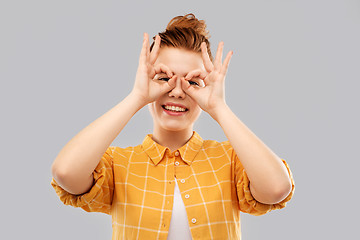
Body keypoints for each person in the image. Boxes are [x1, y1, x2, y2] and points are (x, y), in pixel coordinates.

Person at [51, 13, 295, 240]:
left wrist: (218, 107)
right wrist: (136, 96)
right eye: (164, 78)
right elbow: (65, 173)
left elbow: (276, 188)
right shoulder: (119, 165)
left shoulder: (229, 160)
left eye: (193, 82)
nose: (177, 91)